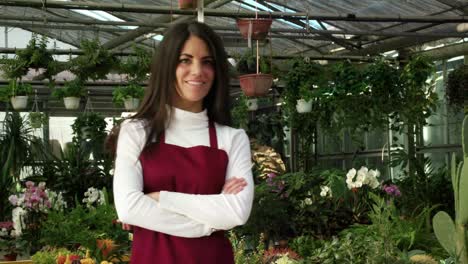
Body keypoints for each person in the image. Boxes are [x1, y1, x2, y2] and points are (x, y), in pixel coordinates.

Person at [111, 21, 254, 263]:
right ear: (167, 66)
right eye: (185, 60)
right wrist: (207, 225)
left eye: (207, 62)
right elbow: (128, 207)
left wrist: (160, 198)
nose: (197, 71)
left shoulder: (233, 138)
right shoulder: (136, 132)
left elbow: (237, 212)